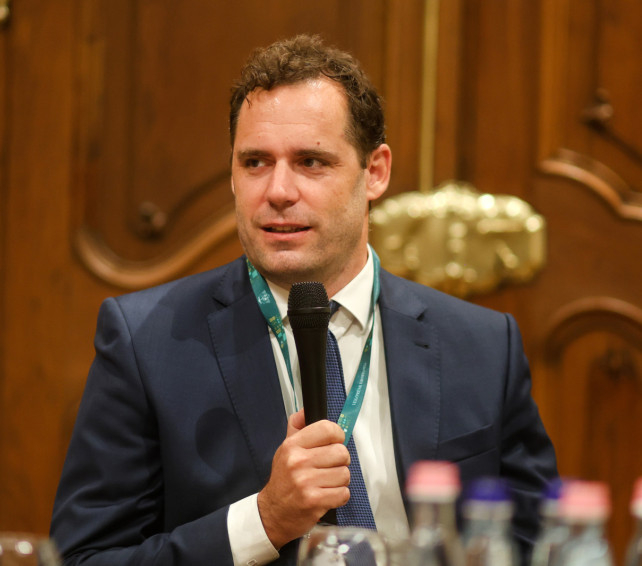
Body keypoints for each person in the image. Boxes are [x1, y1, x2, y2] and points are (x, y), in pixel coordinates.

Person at [50, 34, 557, 566]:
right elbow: (85, 559)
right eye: (255, 162)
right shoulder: (146, 344)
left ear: (375, 172)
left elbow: (544, 547)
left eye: (311, 161)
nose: (278, 191)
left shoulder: (482, 345)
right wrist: (264, 521)